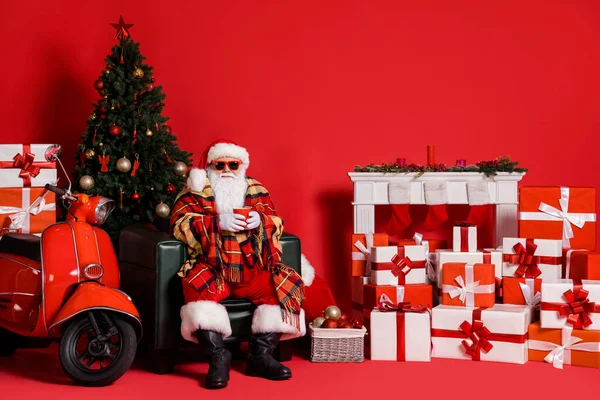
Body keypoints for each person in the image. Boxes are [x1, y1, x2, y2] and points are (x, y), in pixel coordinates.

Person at [170, 139, 314, 389]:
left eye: (233, 164)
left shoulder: (256, 189)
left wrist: (261, 220)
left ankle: (260, 357)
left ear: (242, 166)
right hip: (213, 265)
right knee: (196, 288)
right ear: (210, 167)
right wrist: (216, 223)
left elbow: (276, 222)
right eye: (220, 165)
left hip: (251, 267)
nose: (226, 170)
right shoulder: (194, 190)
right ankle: (218, 357)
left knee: (282, 286)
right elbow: (178, 225)